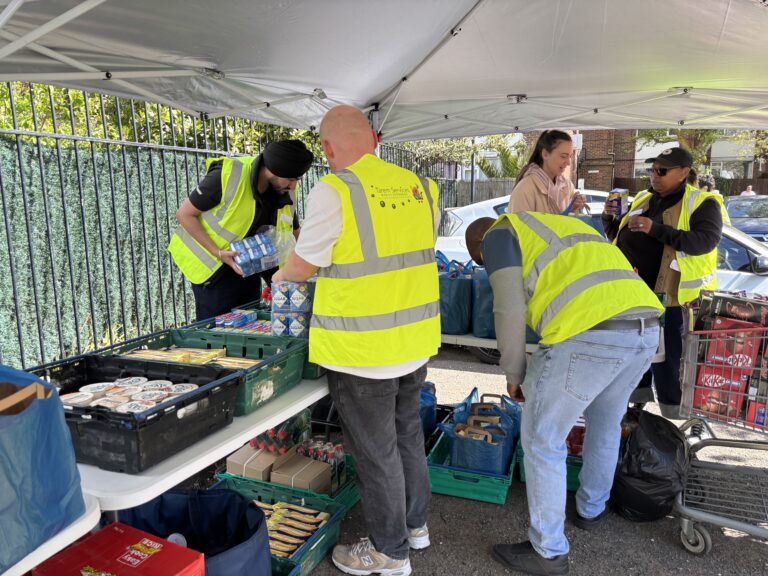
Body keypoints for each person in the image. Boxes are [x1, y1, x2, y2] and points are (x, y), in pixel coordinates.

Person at [272, 105, 441, 576]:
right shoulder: (422, 187)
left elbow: (303, 266)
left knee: (376, 452)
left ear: (327, 148)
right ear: (372, 137)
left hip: (363, 350)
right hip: (414, 340)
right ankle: (415, 528)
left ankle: (389, 553)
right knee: (407, 436)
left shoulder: (336, 190)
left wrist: (278, 277)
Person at [465, 213, 662, 576]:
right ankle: (591, 509)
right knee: (605, 423)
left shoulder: (496, 237)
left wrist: (514, 374)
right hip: (645, 328)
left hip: (591, 334)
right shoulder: (562, 225)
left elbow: (508, 308)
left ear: (479, 248)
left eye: (483, 265)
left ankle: (548, 551)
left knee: (542, 440)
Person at [602, 147, 725, 418]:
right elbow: (618, 234)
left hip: (673, 299)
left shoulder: (702, 203)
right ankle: (636, 414)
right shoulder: (645, 198)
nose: (654, 176)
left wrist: (654, 229)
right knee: (635, 356)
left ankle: (675, 419)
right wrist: (610, 217)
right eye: (652, 170)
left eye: (661, 171)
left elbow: (704, 242)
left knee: (668, 362)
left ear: (683, 173)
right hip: (634, 296)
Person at [168, 140, 314, 320]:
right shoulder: (229, 174)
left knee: (248, 328)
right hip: (214, 270)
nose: (293, 185)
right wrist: (219, 252)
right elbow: (184, 214)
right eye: (291, 179)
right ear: (274, 168)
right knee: (219, 335)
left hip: (248, 269)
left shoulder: (284, 189)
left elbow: (294, 229)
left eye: (297, 179)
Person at [508, 130, 585, 215]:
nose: (568, 162)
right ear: (545, 154)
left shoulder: (567, 186)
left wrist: (573, 209)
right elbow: (518, 226)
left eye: (570, 156)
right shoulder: (525, 189)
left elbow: (567, 225)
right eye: (563, 156)